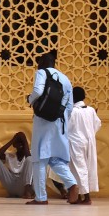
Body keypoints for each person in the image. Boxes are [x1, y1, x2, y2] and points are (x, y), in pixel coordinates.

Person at [26, 49, 81, 205]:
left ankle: (41, 197)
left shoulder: (42, 73)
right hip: (59, 121)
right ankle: (71, 184)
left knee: (39, 159)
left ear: (42, 63)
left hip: (43, 121)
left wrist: (29, 100)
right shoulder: (65, 79)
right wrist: (61, 119)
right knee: (55, 159)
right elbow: (69, 106)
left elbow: (37, 91)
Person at [67, 85, 102, 204]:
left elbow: (67, 128)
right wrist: (89, 133)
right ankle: (80, 196)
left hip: (76, 143)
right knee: (87, 167)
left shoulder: (72, 111)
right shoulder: (91, 110)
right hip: (89, 142)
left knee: (79, 169)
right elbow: (97, 124)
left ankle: (86, 197)